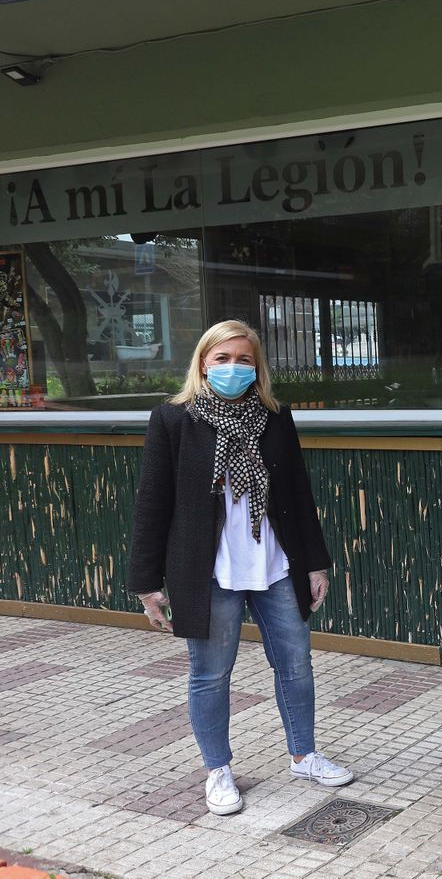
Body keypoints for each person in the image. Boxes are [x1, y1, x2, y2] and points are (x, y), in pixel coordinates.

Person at [129, 320, 351, 818]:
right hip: (208, 573)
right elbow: (152, 505)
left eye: (244, 359)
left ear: (258, 366)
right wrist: (146, 584)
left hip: (274, 564)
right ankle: (218, 769)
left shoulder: (274, 417)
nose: (233, 367)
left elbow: (297, 494)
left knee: (295, 665)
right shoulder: (173, 420)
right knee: (210, 674)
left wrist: (316, 563)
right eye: (222, 358)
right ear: (203, 362)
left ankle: (304, 755)